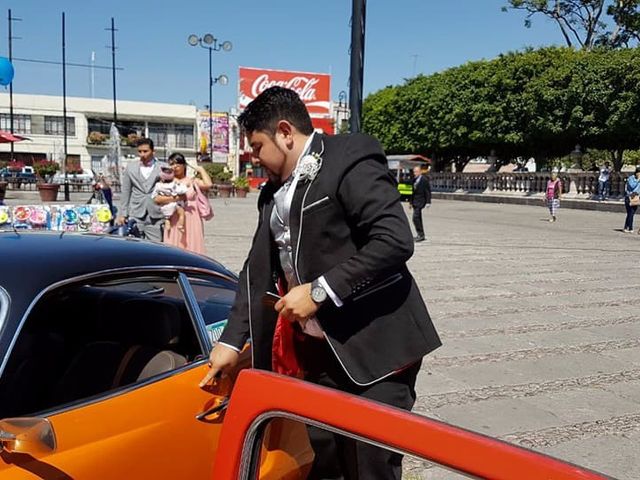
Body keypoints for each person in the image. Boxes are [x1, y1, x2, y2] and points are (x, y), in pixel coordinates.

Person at [200, 86, 441, 479]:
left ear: (284, 132)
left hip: (374, 347)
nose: (255, 159)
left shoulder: (349, 156)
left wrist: (318, 291)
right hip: (314, 353)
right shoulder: (272, 193)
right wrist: (230, 342)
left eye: (258, 146)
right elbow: (256, 269)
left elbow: (394, 239)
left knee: (370, 466)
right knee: (324, 459)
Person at [154, 152, 213, 254]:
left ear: (184, 165)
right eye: (172, 164)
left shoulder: (192, 181)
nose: (175, 167)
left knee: (193, 248)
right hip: (174, 219)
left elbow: (208, 184)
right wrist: (175, 198)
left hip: (192, 219)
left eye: (178, 164)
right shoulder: (167, 182)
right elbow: (157, 199)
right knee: (173, 248)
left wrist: (201, 169)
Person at [116, 138, 165, 242]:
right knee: (135, 247)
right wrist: (123, 214)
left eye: (145, 151)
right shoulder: (131, 167)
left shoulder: (163, 167)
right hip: (135, 212)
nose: (142, 154)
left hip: (155, 214)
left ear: (153, 151)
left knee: (156, 246)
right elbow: (126, 191)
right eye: (140, 151)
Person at [152, 166, 188, 233]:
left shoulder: (158, 185)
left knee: (167, 217)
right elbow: (181, 190)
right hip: (174, 204)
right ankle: (180, 225)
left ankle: (167, 222)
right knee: (181, 213)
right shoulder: (173, 185)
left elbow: (154, 196)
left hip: (164, 205)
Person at [410, 164, 431, 242]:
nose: (414, 173)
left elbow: (427, 191)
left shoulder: (424, 180)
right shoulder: (414, 180)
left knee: (415, 218)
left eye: (416, 172)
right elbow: (412, 192)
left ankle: (421, 234)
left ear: (420, 172)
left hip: (421, 201)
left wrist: (428, 202)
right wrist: (410, 202)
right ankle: (420, 234)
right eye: (414, 172)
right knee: (418, 218)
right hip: (415, 201)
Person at [623, 166, 640, 233]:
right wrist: (638, 180)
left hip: (636, 197)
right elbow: (632, 186)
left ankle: (626, 227)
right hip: (629, 197)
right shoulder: (631, 178)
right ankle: (630, 228)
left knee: (631, 213)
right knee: (630, 213)